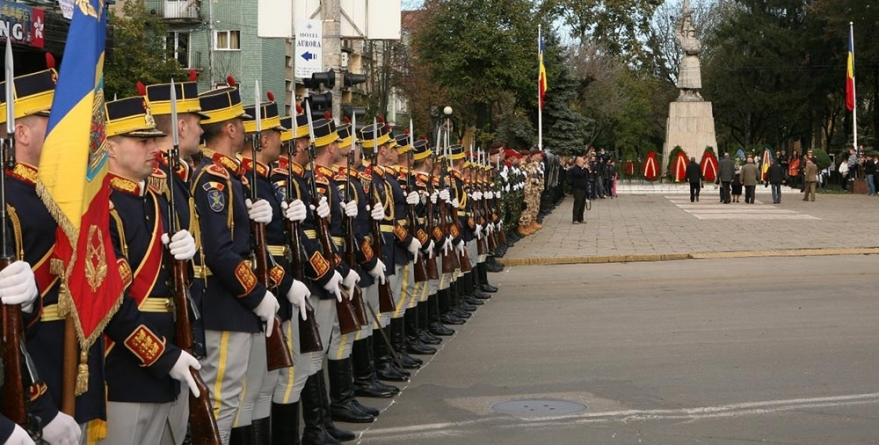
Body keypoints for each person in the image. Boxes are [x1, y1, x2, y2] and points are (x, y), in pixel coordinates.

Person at [101, 95, 204, 445]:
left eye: (153, 139)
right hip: (124, 366)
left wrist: (186, 260)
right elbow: (111, 304)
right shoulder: (102, 207)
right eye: (142, 140)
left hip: (169, 356)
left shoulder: (158, 200)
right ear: (111, 147)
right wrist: (163, 356)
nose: (154, 147)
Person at [192, 81, 283, 444]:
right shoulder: (216, 178)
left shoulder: (230, 175)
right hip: (224, 303)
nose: (246, 130)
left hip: (232, 302)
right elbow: (219, 252)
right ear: (229, 129)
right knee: (221, 401)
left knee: (231, 398)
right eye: (241, 123)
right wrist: (258, 294)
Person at [568, 154, 589, 223]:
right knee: (578, 203)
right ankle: (575, 219)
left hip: (583, 188)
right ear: (578, 162)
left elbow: (587, 175)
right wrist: (584, 169)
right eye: (582, 162)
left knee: (582, 204)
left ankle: (581, 218)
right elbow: (580, 174)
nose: (583, 163)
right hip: (577, 188)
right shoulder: (575, 169)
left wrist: (586, 169)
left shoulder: (583, 169)